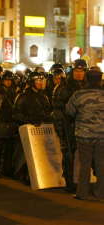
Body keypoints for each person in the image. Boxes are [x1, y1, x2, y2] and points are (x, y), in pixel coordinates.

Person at [66, 69, 104, 200]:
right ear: (100, 80)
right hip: (102, 136)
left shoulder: (79, 94)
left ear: (86, 80)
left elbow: (69, 111)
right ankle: (101, 193)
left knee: (84, 165)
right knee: (101, 164)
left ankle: (82, 193)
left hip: (83, 136)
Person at [52, 59, 87, 193]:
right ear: (72, 72)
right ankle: (69, 181)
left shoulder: (88, 87)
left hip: (85, 126)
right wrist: (60, 127)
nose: (79, 74)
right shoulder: (61, 88)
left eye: (81, 71)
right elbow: (57, 110)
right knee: (68, 155)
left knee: (89, 155)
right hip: (68, 126)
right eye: (76, 71)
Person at [13, 72, 51, 185]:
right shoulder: (22, 96)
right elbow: (16, 114)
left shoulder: (44, 97)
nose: (40, 83)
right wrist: (29, 121)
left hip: (41, 129)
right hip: (27, 129)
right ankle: (21, 172)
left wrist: (48, 119)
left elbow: (48, 111)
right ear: (31, 82)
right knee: (29, 153)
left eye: (42, 81)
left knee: (40, 153)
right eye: (38, 81)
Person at [0, 70, 18, 178]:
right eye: (6, 80)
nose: (8, 82)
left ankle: (7, 169)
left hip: (10, 121)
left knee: (9, 148)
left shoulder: (14, 92)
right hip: (0, 122)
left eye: (10, 80)